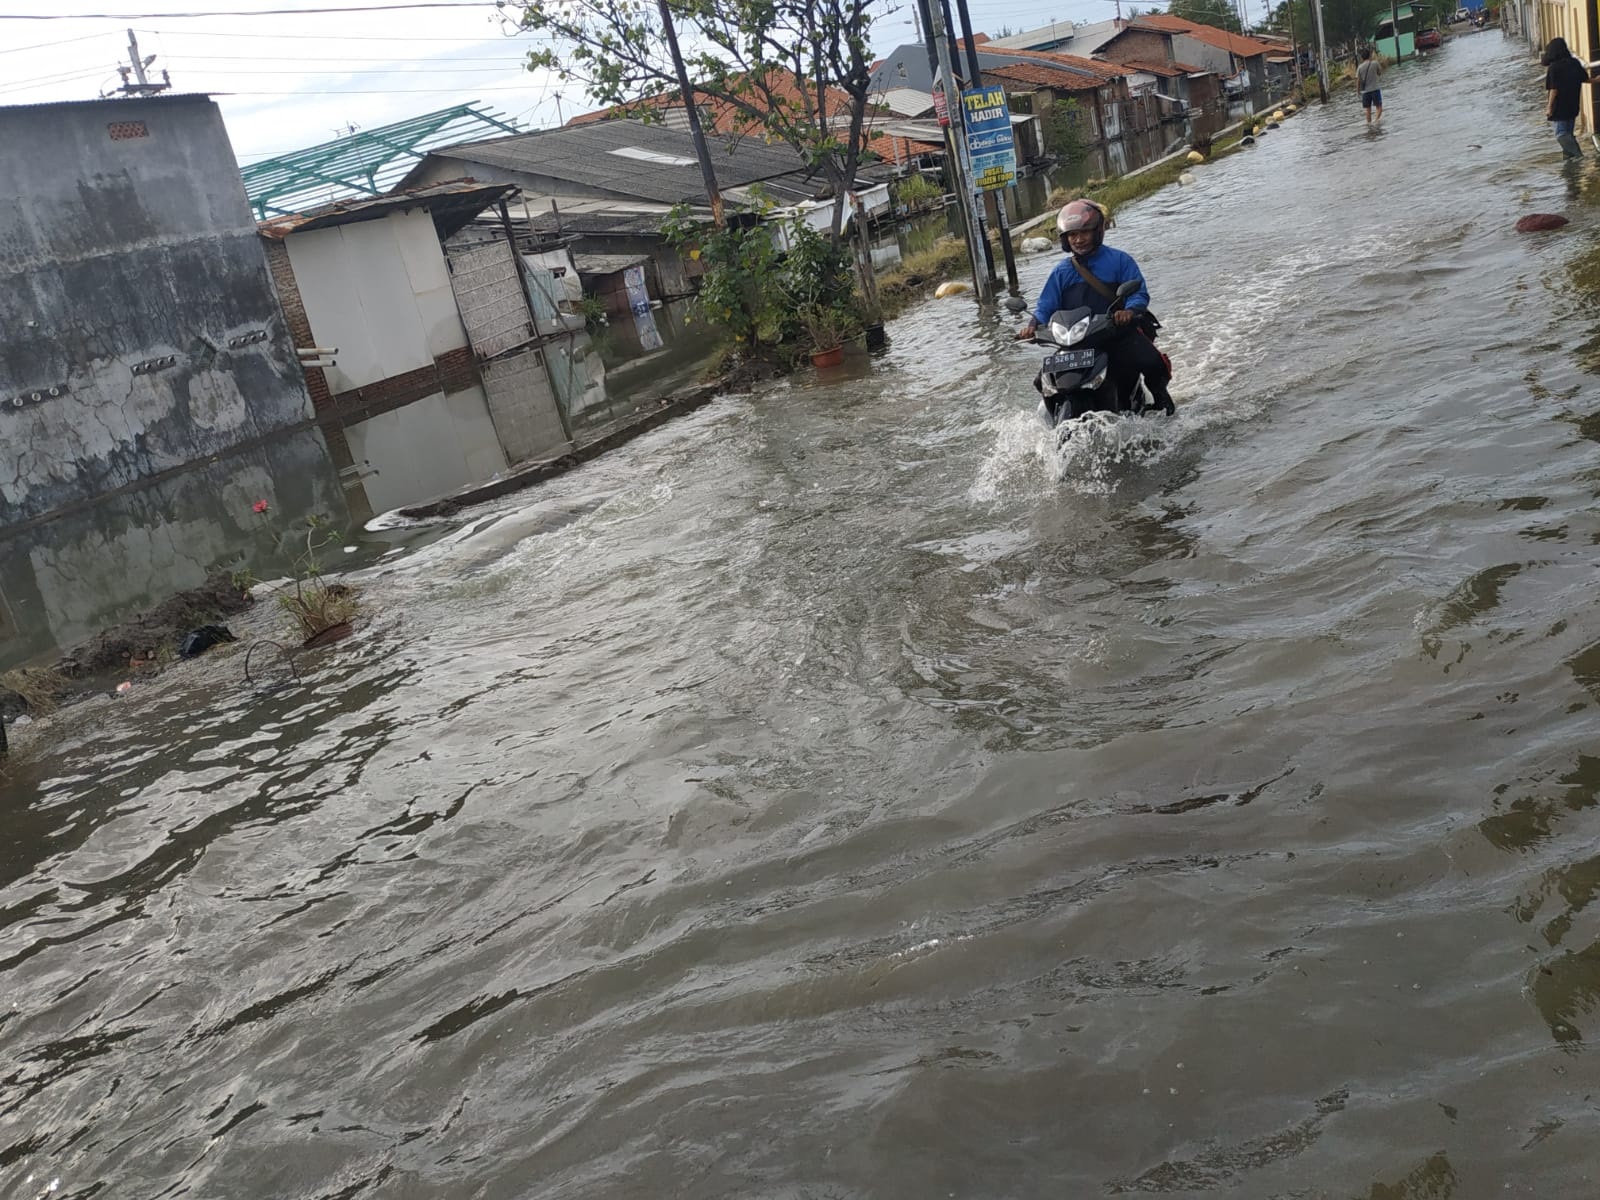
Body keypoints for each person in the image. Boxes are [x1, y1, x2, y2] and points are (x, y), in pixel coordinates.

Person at [1016, 199, 1174, 415]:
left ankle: (1163, 405)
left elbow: (1138, 293)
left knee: (1153, 362)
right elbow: (1045, 306)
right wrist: (1033, 326)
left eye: (1084, 233)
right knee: (1041, 381)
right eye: (1072, 235)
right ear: (1065, 239)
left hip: (1116, 335)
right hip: (1076, 343)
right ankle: (1053, 420)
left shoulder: (1119, 260)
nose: (1078, 240)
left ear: (1097, 231)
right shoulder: (1061, 272)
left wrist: (1128, 312)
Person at [1543, 37, 1598, 158]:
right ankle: (1571, 166)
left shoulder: (1554, 68)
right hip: (1573, 106)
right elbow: (1585, 79)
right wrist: (1596, 80)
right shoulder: (1574, 63)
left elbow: (1554, 90)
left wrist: (1549, 107)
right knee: (1568, 134)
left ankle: (1579, 156)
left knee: (1561, 135)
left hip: (1560, 108)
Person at [1357, 47, 1384, 124]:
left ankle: (1369, 125)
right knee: (1379, 108)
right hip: (1375, 89)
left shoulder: (1360, 67)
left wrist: (1358, 92)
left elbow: (1358, 81)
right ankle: (1376, 122)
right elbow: (1379, 73)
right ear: (1369, 56)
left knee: (1368, 110)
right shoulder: (1375, 63)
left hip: (1365, 92)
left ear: (1362, 58)